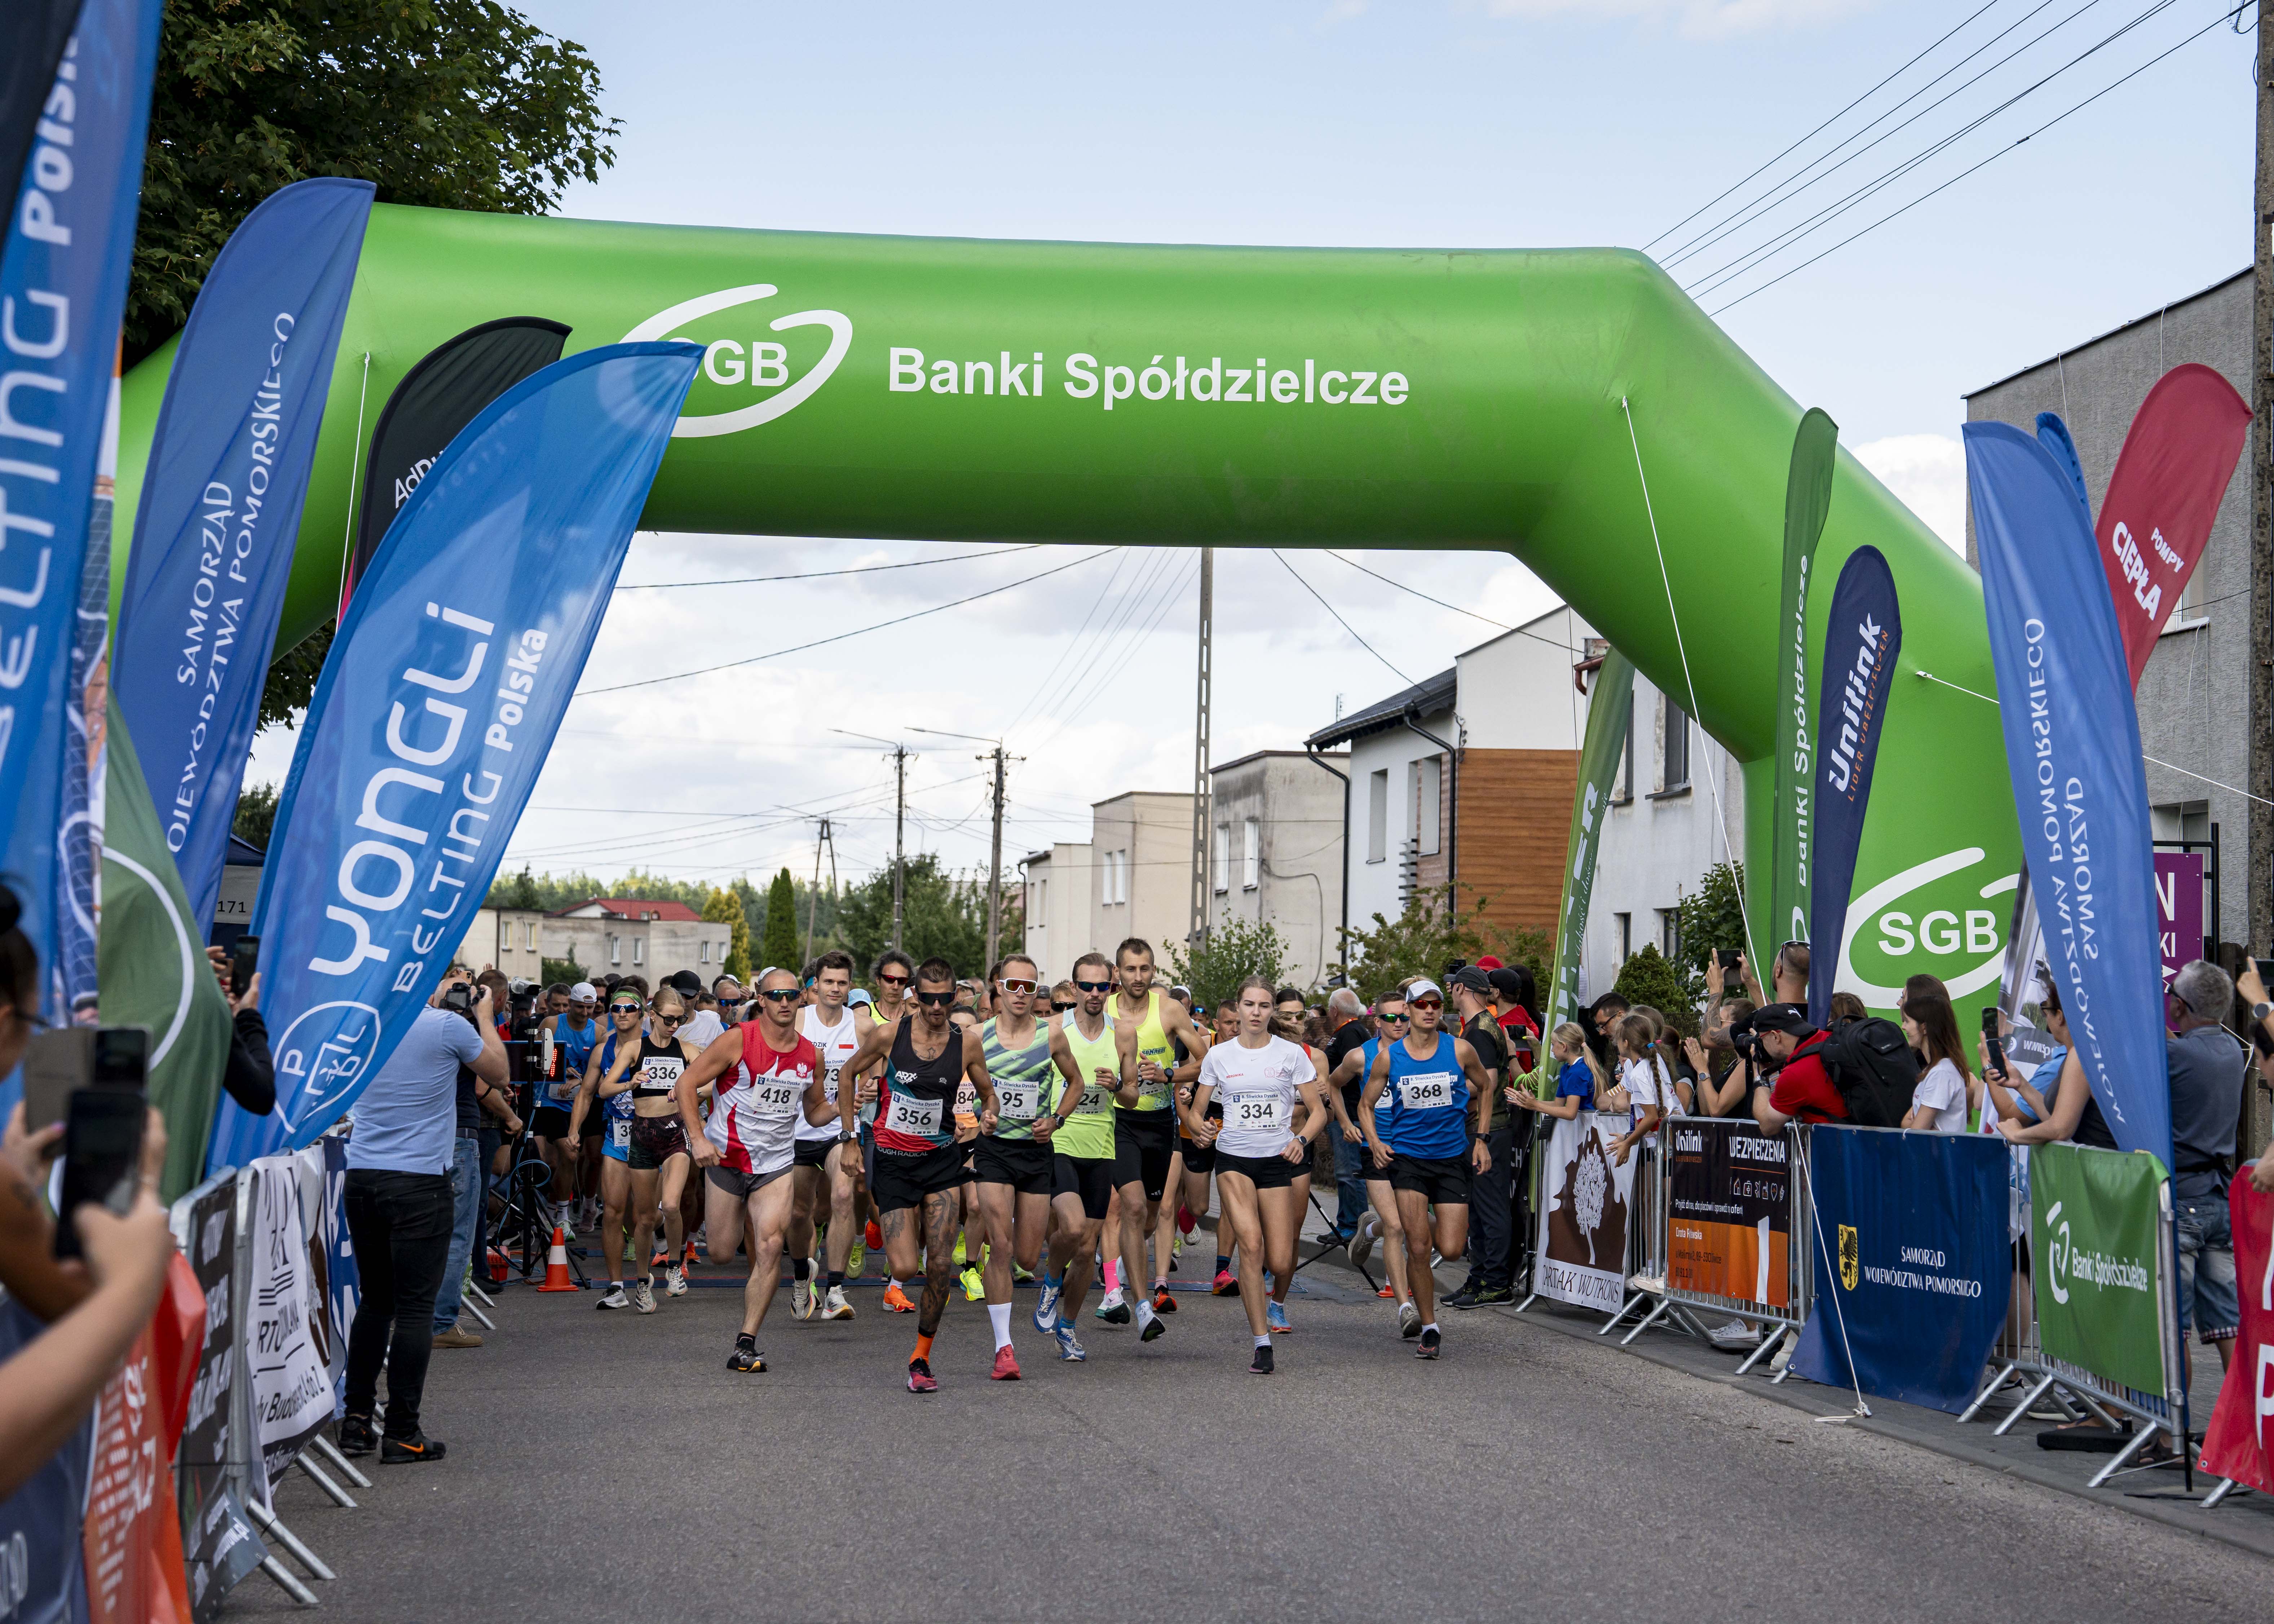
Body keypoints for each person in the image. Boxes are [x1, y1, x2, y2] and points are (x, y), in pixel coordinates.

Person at [339, 971, 505, 1463]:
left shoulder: (364, 1024)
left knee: (375, 1302)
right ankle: (402, 1431)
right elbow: (497, 1072)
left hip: (363, 1174)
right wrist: (484, 1016)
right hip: (418, 1180)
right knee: (414, 1309)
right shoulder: (443, 1027)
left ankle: (354, 1421)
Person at [836, 956, 998, 1391]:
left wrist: (990, 1116)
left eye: (946, 998)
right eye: (928, 998)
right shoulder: (890, 1034)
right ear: (915, 996)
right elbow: (847, 1072)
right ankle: (875, 1220)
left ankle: (921, 1358)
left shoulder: (965, 1043)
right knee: (906, 1266)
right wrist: (850, 1136)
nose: (937, 1006)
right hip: (892, 1160)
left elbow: (988, 1093)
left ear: (954, 997)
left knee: (941, 1266)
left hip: (942, 1161)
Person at [678, 968, 833, 1372]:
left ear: (801, 998)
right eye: (775, 995)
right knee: (722, 1253)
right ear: (761, 999)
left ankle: (746, 1342)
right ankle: (792, 1268)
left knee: (768, 1246)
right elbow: (685, 1085)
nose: (784, 1001)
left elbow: (815, 1113)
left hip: (776, 1163)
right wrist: (698, 1138)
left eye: (791, 994)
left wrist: (849, 1103)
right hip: (725, 1159)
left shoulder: (809, 1054)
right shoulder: (737, 1039)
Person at [1193, 976, 1329, 1373]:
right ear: (1238, 1009)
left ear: (1272, 1011)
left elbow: (1318, 1111)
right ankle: (1261, 1342)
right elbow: (1198, 1109)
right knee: (1250, 1246)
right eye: (1249, 1005)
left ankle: (1269, 1298)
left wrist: (1300, 1140)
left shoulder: (1291, 1054)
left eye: (1263, 1005)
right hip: (1233, 1157)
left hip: (1276, 1159)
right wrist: (1200, 1127)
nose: (1255, 1012)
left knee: (1282, 1259)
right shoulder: (1219, 1055)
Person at [1359, 977, 1490, 1359]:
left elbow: (1486, 1086)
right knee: (1418, 1246)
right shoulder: (1389, 1057)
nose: (1430, 1010)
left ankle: (1402, 1224)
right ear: (1409, 1011)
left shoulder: (1460, 1049)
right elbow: (1365, 1105)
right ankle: (1430, 1326)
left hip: (1450, 1158)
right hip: (1409, 1160)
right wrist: (1376, 1141)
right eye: (1421, 1005)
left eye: (1435, 1004)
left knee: (1450, 1248)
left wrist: (1480, 1138)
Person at [1104, 936, 1204, 1342]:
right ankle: (1130, 1299)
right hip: (1115, 1120)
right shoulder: (1104, 1010)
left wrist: (1167, 1076)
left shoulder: (1169, 1010)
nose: (1138, 976)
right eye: (1130, 969)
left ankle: (1119, 1268)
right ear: (1117, 972)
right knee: (1124, 1204)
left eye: (1145, 969)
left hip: (1159, 1122)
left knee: (1146, 1216)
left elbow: (1204, 1060)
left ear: (1153, 971)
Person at [1032, 953, 1129, 1360]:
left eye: (1101, 986)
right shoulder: (1054, 1029)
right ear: (1072, 988)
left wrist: (1118, 1083)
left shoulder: (1122, 1033)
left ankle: (1068, 1328)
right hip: (1060, 1142)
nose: (1094, 993)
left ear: (1112, 988)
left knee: (1088, 1250)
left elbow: (1133, 1097)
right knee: (1071, 1228)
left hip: (1101, 1147)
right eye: (1086, 986)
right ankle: (1052, 1279)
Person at [590, 984, 701, 1312]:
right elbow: (604, 1088)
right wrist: (631, 1082)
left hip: (675, 1136)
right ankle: (641, 1283)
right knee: (644, 1218)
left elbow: (711, 1079)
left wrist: (686, 1088)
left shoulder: (687, 1049)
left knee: (671, 1205)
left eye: (679, 1020)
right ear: (652, 1016)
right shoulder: (634, 1049)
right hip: (641, 1135)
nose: (674, 1026)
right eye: (668, 1019)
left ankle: (674, 1267)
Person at [973, 953, 1058, 1379]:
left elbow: (1076, 1082)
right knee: (1002, 1246)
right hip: (993, 1150)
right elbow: (958, 1084)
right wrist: (979, 1115)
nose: (1022, 994)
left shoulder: (1051, 1035)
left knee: (1027, 1255)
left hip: (1035, 1152)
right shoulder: (976, 1036)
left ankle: (1028, 1273)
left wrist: (1055, 1119)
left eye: (1030, 986)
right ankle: (1003, 1347)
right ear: (999, 989)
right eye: (1014, 985)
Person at [2163, 959, 2247, 1373]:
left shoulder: (2174, 1056)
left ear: (2179, 1006)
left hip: (2182, 1201)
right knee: (2225, 1321)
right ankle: (2246, 1418)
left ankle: (2170, 1433)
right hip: (2218, 1196)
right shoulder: (2231, 1051)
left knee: (2172, 1325)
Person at [789, 950, 865, 1320]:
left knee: (842, 1196)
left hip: (841, 1128)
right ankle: (803, 1276)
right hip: (797, 1129)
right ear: (814, 984)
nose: (835, 988)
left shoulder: (861, 1025)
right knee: (799, 1211)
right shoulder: (798, 1021)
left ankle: (835, 1290)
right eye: (829, 981)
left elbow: (881, 1067)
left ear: (850, 986)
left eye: (842, 982)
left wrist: (869, 1088)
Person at [1338, 991, 1418, 1334]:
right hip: (1377, 1148)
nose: (1398, 1023)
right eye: (1390, 1018)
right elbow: (1333, 1084)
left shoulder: (1424, 1052)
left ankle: (1369, 1229)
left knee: (1414, 1225)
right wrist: (1345, 1124)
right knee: (1398, 1228)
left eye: (1403, 1016)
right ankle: (1405, 1308)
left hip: (1417, 1150)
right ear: (1377, 1021)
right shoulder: (1361, 1056)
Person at [1445, 966, 1514, 1309]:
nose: (1448, 993)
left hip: (1488, 1131)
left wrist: (1442, 1090)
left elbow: (1483, 1083)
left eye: (1450, 987)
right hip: (1479, 1130)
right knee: (1477, 1209)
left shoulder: (1481, 1031)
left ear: (1461, 989)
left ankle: (1496, 1282)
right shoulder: (1477, 1027)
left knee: (1490, 1209)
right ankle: (1480, 1277)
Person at [1320, 987, 1372, 1244]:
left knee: (1350, 1172)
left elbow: (1355, 1072)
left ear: (1334, 1011)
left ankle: (1355, 1225)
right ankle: (1345, 1223)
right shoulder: (1351, 1031)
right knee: (1345, 1172)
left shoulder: (1350, 1033)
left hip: (1349, 1114)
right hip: (1347, 1113)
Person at [1742, 1005, 1843, 1129]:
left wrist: (1758, 1071)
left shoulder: (1795, 1073)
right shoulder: (1830, 1036)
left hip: (1834, 1143)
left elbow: (1767, 1126)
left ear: (1776, 1036)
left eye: (1762, 1039)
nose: (1761, 1045)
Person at [1899, 984, 1977, 1132]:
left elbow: (1917, 1134)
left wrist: (1917, 1124)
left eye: (1907, 1021)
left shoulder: (1941, 1073)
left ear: (1924, 1027)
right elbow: (1910, 1125)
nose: (1904, 1027)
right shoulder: (1936, 1069)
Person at [1683, 990, 1755, 1118]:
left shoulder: (1747, 1063)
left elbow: (1717, 1110)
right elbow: (1706, 1110)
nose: (1716, 1029)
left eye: (1721, 1022)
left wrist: (1704, 1069)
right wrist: (1702, 1071)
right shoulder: (1735, 1062)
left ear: (1738, 1027)